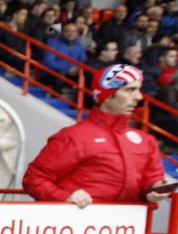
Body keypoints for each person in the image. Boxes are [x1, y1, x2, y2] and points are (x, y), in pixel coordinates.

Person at [24, 64, 171, 207]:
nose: (138, 97)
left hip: (128, 228)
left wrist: (156, 189)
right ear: (107, 96)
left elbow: (152, 181)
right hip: (76, 227)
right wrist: (64, 197)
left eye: (139, 90)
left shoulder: (146, 141)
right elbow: (34, 178)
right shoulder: (74, 136)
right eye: (129, 90)